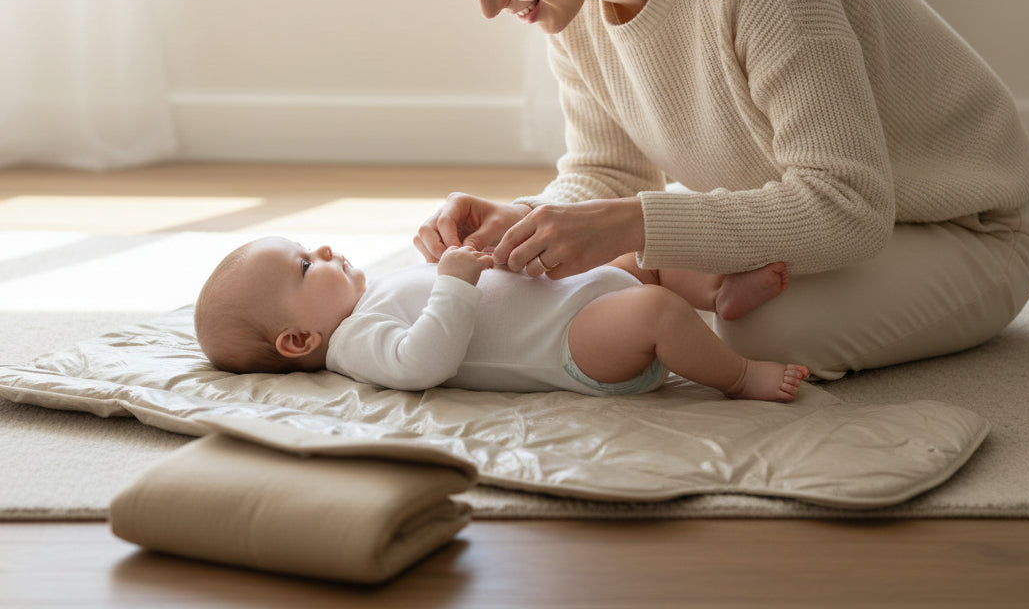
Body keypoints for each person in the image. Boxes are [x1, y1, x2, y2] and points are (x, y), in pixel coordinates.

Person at [408, 0, 1029, 381]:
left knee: (760, 329)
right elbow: (609, 175)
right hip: (842, 218)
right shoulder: (569, 8)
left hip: (970, 229)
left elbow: (849, 207)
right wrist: (525, 219)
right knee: (615, 282)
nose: (489, 7)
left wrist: (633, 227)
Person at [193, 235, 808, 401]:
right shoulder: (354, 343)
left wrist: (451, 263)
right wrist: (455, 283)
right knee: (654, 309)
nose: (324, 250)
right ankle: (738, 376)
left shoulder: (368, 296)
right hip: (574, 345)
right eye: (304, 266)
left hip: (582, 294)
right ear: (299, 339)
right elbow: (423, 363)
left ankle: (719, 292)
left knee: (640, 256)